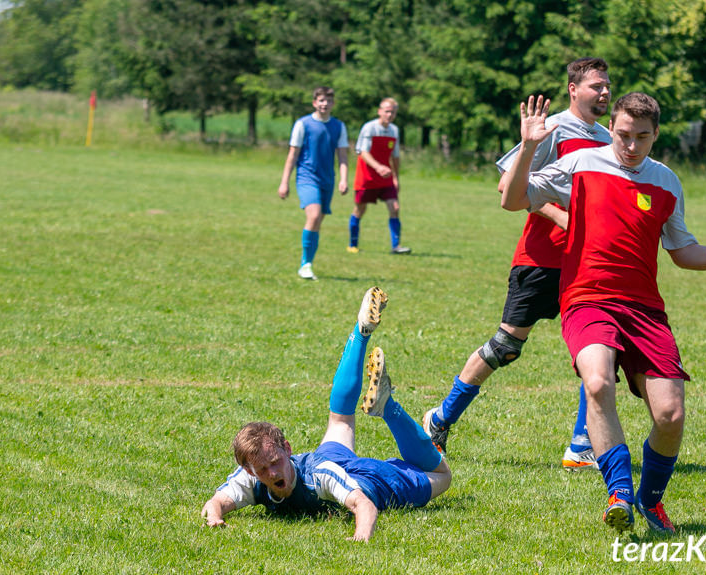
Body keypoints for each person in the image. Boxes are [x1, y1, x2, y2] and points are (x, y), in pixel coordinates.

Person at [501, 92, 706, 533]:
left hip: (645, 309)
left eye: (642, 138)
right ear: (611, 128)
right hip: (587, 298)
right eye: (624, 135)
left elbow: (682, 250)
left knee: (670, 416)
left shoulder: (667, 182)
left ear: (656, 135)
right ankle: (619, 492)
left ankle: (650, 501)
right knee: (596, 380)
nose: (631, 146)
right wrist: (530, 147)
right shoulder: (582, 165)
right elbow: (513, 199)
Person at [422, 58, 612, 470]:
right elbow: (507, 186)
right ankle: (439, 418)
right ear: (572, 89)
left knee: (595, 349)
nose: (604, 93)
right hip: (541, 258)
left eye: (607, 85)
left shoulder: (608, 139)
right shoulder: (554, 129)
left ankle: (582, 445)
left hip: (586, 262)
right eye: (595, 85)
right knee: (506, 346)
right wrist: (565, 220)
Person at [201, 287, 452, 541]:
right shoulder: (254, 475)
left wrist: (361, 537)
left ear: (287, 449)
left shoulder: (320, 478)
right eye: (263, 469)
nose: (272, 473)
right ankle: (361, 331)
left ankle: (388, 408)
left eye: (275, 462)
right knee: (340, 419)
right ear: (252, 471)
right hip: (326, 458)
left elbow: (364, 506)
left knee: (443, 476)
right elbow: (216, 502)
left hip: (365, 479)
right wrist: (214, 517)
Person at [278, 86, 350, 280]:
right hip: (306, 177)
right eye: (321, 100)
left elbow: (342, 156)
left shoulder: (338, 126)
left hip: (328, 179)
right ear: (314, 102)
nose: (324, 104)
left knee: (317, 222)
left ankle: (307, 263)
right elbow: (292, 155)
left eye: (328, 100)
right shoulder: (303, 124)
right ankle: (306, 265)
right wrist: (284, 182)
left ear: (333, 103)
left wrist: (344, 179)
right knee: (314, 215)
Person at [348, 98, 411, 254]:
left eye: (393, 112)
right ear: (379, 111)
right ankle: (352, 245)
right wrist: (378, 167)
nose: (390, 115)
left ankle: (396, 246)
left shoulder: (394, 130)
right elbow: (363, 152)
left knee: (395, 207)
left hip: (386, 177)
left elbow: (395, 157)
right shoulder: (369, 128)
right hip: (367, 177)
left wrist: (396, 178)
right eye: (387, 111)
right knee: (360, 210)